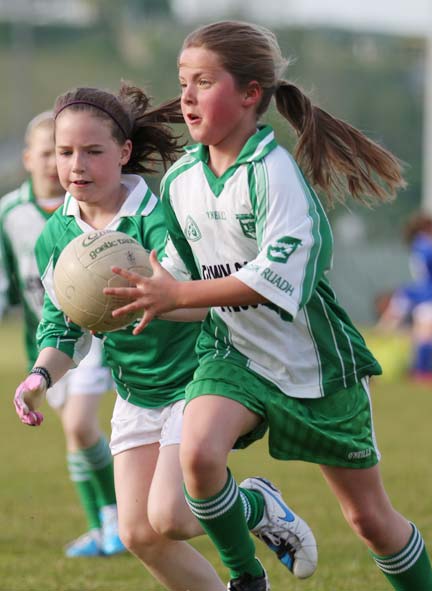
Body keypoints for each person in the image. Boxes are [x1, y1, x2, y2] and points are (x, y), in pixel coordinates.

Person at [105, 21, 432, 591]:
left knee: (370, 521)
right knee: (201, 456)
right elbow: (181, 275)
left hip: (316, 366)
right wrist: (150, 299)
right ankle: (246, 578)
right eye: (183, 82)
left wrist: (179, 294)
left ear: (250, 94)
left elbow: (272, 281)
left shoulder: (273, 174)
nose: (185, 97)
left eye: (203, 82)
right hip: (233, 355)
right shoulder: (184, 179)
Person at [12, 84, 317, 591]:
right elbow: (61, 326)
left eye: (93, 151)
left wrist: (160, 300)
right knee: (138, 533)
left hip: (196, 380)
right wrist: (40, 375)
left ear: (124, 152)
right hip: (136, 390)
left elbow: (196, 300)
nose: (75, 166)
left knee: (171, 516)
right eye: (66, 153)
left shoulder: (160, 218)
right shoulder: (55, 237)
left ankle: (256, 504)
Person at [0, 111, 123, 558]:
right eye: (50, 151)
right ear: (28, 158)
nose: (58, 162)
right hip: (46, 337)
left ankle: (116, 520)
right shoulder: (11, 212)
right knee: (75, 435)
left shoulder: (88, 208)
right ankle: (103, 527)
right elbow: (9, 278)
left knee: (79, 423)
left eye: (65, 151)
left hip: (91, 335)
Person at [377, 211, 432, 382]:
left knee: (423, 333)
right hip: (430, 294)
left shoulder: (420, 243)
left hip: (428, 292)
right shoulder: (425, 243)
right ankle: (422, 373)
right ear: (428, 227)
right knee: (427, 334)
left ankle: (420, 371)